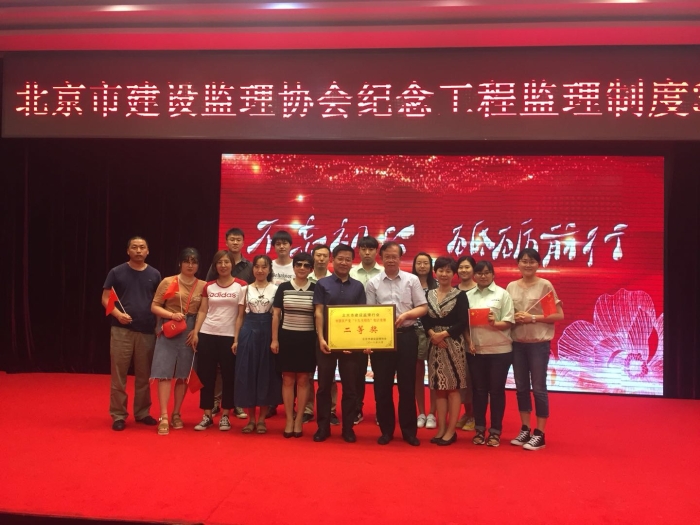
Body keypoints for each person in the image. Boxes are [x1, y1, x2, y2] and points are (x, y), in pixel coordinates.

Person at [366, 242, 428, 446]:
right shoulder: (373, 283)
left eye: (395, 256)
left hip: (407, 336)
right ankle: (386, 430)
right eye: (387, 256)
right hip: (382, 339)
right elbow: (369, 313)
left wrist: (407, 315)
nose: (391, 260)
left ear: (400, 258)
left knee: (407, 386)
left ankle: (409, 431)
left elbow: (423, 307)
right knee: (382, 387)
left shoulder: (412, 280)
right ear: (381, 258)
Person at [506, 248, 564, 451]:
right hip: (517, 343)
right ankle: (525, 429)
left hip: (538, 343)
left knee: (538, 388)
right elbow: (507, 314)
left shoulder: (544, 285)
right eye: (524, 261)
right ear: (518, 263)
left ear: (538, 264)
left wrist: (532, 318)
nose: (527, 265)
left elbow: (557, 315)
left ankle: (540, 433)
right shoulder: (511, 287)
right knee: (521, 388)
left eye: (532, 261)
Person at [102, 236, 161, 431]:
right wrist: (118, 315)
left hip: (146, 331)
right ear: (128, 250)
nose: (138, 250)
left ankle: (142, 412)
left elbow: (158, 302)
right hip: (121, 331)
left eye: (142, 247)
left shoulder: (155, 274)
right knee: (119, 375)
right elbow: (105, 298)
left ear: (148, 251)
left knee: (144, 376)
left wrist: (158, 326)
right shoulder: (116, 272)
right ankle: (118, 415)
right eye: (134, 247)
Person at [313, 243, 367, 443]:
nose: (344, 263)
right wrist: (321, 339)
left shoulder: (358, 286)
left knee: (351, 388)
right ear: (332, 260)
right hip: (326, 343)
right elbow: (318, 312)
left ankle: (348, 428)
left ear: (352, 262)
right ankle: (323, 427)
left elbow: (361, 316)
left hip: (350, 346)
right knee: (324, 387)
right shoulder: (322, 284)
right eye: (340, 259)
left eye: (347, 259)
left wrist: (354, 343)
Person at [150, 248, 206, 435]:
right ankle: (164, 416)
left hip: (189, 331)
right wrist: (171, 315)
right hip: (170, 328)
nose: (190, 265)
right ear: (180, 263)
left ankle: (176, 413)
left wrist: (196, 331)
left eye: (194, 262)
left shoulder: (203, 285)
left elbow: (203, 311)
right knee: (164, 373)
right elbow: (154, 306)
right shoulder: (168, 281)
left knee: (183, 375)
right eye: (187, 261)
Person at [190, 250, 246, 431]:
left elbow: (241, 316)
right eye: (219, 263)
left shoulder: (241, 286)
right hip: (207, 334)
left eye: (226, 262)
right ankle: (207, 415)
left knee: (229, 376)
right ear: (215, 266)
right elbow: (203, 311)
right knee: (206, 376)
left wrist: (237, 338)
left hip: (229, 337)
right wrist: (196, 332)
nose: (223, 266)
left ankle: (225, 415)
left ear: (232, 265)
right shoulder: (209, 286)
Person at [421, 256, 472, 446]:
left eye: (448, 271)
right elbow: (424, 318)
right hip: (433, 344)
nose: (444, 274)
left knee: (453, 388)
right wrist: (432, 335)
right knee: (438, 389)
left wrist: (443, 334)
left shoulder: (460, 295)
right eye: (441, 270)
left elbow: (462, 322)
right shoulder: (428, 294)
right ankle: (441, 428)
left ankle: (451, 431)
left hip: (453, 344)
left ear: (454, 274)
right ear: (435, 272)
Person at [466, 260, 515, 447]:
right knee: (478, 391)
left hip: (499, 351)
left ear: (493, 274)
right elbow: (464, 324)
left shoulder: (502, 294)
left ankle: (495, 431)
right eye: (479, 273)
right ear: (474, 275)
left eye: (487, 272)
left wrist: (495, 323)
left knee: (496, 391)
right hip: (476, 350)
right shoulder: (467, 295)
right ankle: (479, 429)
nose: (483, 276)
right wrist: (469, 341)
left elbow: (509, 322)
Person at [205, 227, 252, 421]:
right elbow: (208, 289)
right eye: (232, 239)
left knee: (236, 367)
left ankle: (236, 402)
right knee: (216, 370)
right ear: (226, 241)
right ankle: (217, 401)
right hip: (216, 325)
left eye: (238, 239)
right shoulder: (217, 263)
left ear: (243, 242)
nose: (235, 242)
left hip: (242, 322)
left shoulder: (250, 267)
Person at [233, 254, 281, 434]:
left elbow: (277, 316)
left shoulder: (276, 289)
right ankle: (251, 419)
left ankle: (262, 420)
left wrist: (275, 339)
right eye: (257, 267)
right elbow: (240, 317)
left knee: (265, 375)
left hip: (268, 332)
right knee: (248, 374)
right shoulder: (244, 289)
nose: (260, 270)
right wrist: (236, 339)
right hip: (248, 332)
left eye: (264, 267)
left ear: (269, 269)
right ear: (252, 269)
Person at [271, 252, 317, 437]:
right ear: (294, 266)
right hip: (287, 338)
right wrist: (274, 339)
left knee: (304, 380)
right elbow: (276, 315)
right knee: (288, 379)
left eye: (306, 265)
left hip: (308, 339)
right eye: (299, 264)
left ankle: (299, 420)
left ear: (311, 269)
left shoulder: (316, 288)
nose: (302, 268)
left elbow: (319, 315)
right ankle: (289, 419)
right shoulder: (283, 287)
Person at [349, 236, 383, 425]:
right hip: (356, 328)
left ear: (377, 251)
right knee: (357, 371)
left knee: (382, 371)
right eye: (363, 249)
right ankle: (356, 408)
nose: (367, 252)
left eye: (371, 249)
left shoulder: (384, 272)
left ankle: (382, 410)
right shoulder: (351, 272)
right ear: (359, 251)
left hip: (379, 328)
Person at [303, 244, 338, 424]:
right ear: (313, 257)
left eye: (325, 256)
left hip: (329, 332)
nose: (322, 259)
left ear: (329, 259)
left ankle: (330, 410)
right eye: (318, 255)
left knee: (329, 375)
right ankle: (307, 409)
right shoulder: (304, 279)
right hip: (307, 330)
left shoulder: (334, 280)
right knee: (307, 374)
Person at [411, 252, 437, 430]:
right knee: (417, 376)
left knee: (434, 375)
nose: (422, 266)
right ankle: (421, 412)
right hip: (414, 333)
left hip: (434, 334)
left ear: (430, 266)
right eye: (419, 263)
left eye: (425, 263)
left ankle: (432, 413)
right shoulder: (409, 284)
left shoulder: (437, 285)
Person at [455, 255, 478, 432]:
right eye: (461, 267)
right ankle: (467, 412)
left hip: (477, 341)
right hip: (457, 342)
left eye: (467, 267)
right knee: (462, 381)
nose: (464, 270)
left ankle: (475, 415)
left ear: (473, 269)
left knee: (475, 380)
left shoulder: (479, 290)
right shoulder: (454, 291)